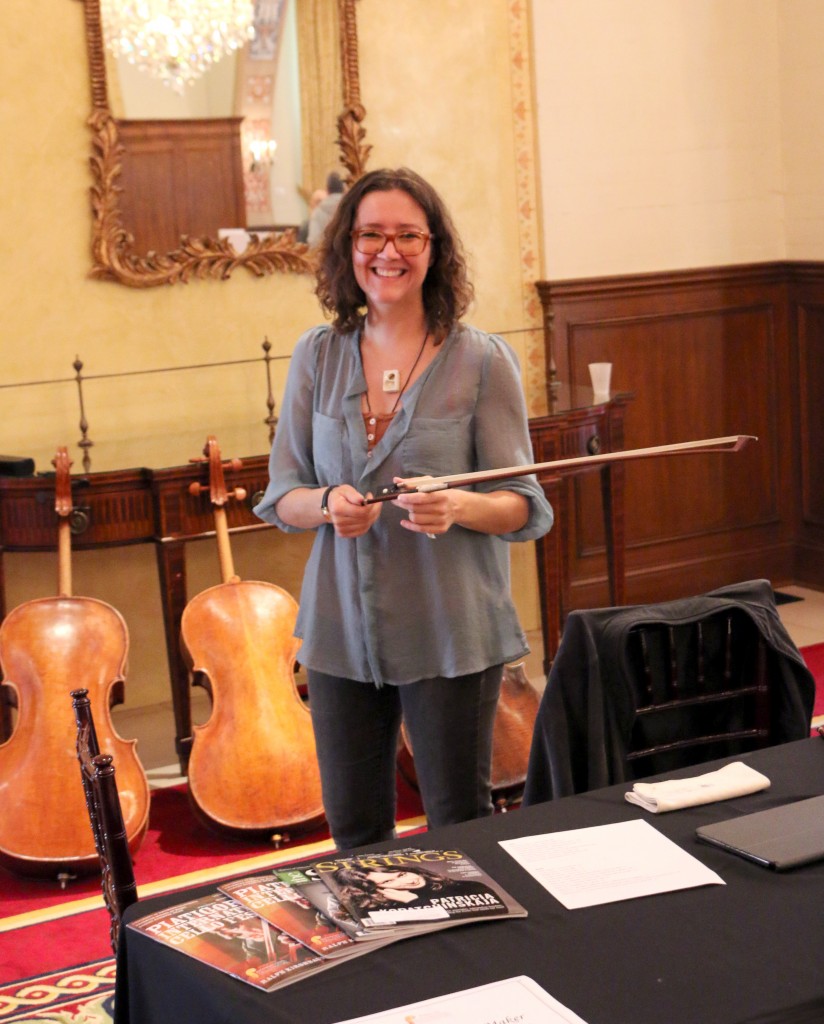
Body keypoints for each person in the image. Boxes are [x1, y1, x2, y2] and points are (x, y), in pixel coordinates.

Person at [253, 166, 553, 851]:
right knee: (356, 830)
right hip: (340, 631)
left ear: (435, 248)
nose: (388, 252)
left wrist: (458, 507)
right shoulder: (316, 356)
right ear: (348, 248)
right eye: (371, 235)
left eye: (407, 235)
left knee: (458, 824)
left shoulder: (483, 361)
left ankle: (473, 959)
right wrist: (328, 503)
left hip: (451, 626)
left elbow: (523, 506)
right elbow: (283, 495)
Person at [324, 863, 505, 917]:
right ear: (379, 891)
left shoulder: (467, 887)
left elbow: (495, 914)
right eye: (388, 881)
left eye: (401, 874)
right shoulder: (383, 909)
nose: (409, 881)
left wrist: (415, 902)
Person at [307, 171, 346, 246]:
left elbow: (313, 241)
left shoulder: (318, 212)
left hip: (325, 255)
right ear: (343, 189)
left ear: (327, 190)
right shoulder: (351, 207)